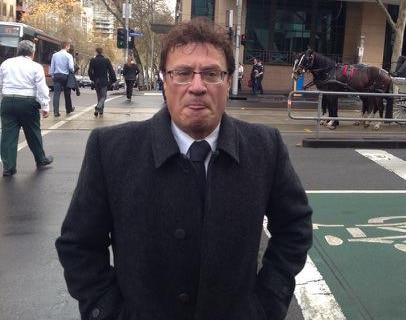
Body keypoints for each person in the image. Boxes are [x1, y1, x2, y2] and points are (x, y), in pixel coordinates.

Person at [55, 17, 313, 320]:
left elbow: (294, 226)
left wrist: (267, 304)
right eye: (182, 73)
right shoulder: (111, 149)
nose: (197, 86)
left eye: (211, 73)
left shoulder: (264, 146)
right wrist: (107, 312)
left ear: (228, 81)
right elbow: (79, 245)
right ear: (165, 80)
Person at [0, 40, 53, 176]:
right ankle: (41, 159)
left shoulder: (6, 63)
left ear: (18, 51)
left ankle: (8, 166)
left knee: (8, 135)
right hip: (27, 102)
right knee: (33, 132)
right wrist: (45, 105)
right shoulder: (35, 66)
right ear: (32, 52)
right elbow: (41, 88)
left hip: (7, 100)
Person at [88, 47, 117, 117]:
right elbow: (111, 70)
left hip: (96, 80)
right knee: (103, 96)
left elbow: (89, 71)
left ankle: (100, 111)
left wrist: (92, 78)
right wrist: (113, 79)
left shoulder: (93, 60)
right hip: (104, 80)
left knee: (99, 96)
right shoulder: (106, 60)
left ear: (96, 52)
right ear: (102, 52)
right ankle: (98, 108)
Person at [49, 40, 75, 116]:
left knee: (56, 94)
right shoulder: (69, 56)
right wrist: (72, 71)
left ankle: (56, 111)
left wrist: (52, 75)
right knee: (67, 93)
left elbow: (52, 66)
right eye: (69, 46)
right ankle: (68, 109)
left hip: (56, 75)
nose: (69, 48)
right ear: (66, 46)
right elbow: (71, 67)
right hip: (65, 76)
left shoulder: (55, 55)